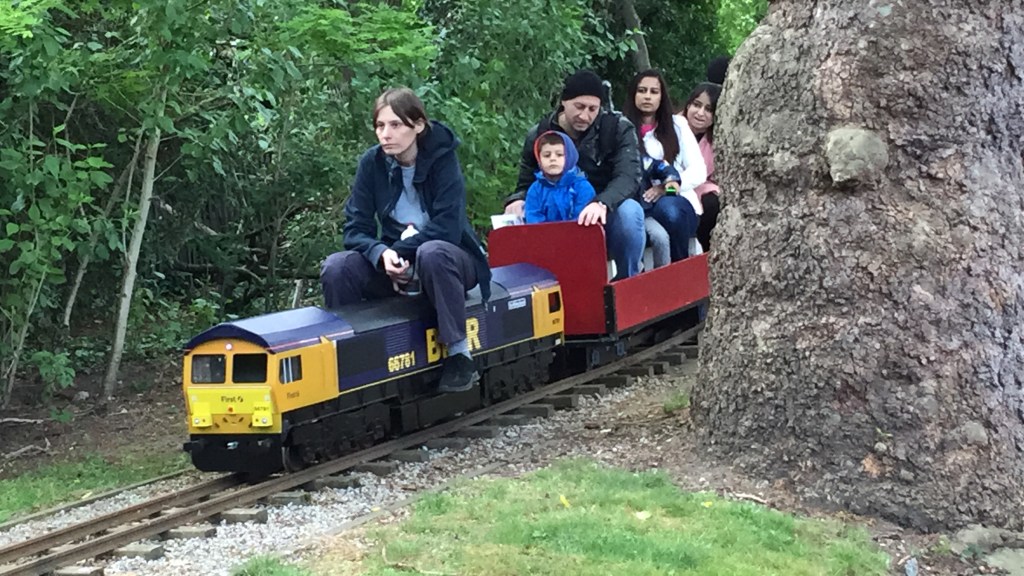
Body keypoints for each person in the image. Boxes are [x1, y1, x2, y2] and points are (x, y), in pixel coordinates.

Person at [320, 87, 491, 393]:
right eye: (379, 126)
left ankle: (460, 356)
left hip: (449, 262)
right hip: (395, 265)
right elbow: (355, 229)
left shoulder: (442, 158)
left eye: (395, 125)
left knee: (432, 252)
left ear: (418, 125)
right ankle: (351, 357)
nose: (385, 134)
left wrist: (398, 253)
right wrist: (381, 254)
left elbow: (448, 228)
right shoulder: (371, 163)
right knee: (337, 267)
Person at [505, 70, 644, 279]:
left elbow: (629, 176)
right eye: (579, 107)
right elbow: (526, 180)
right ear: (564, 102)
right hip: (554, 215)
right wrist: (517, 200)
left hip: (607, 207)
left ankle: (627, 281)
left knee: (630, 212)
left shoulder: (618, 128)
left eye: (592, 109)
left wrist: (601, 202)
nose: (585, 116)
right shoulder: (540, 134)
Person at [622, 69, 706, 265]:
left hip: (677, 202)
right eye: (642, 90)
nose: (647, 96)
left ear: (662, 97)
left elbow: (698, 170)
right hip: (640, 203)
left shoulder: (678, 125)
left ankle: (680, 269)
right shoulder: (622, 127)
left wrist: (666, 188)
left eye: (654, 92)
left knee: (669, 209)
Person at [680, 82, 723, 252]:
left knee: (712, 204)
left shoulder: (718, 139)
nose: (700, 113)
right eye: (696, 105)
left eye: (708, 109)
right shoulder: (672, 128)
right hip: (672, 188)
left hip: (703, 188)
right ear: (688, 105)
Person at [524, 131, 596, 224]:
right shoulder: (535, 189)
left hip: (576, 232)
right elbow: (533, 218)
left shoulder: (583, 187)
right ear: (539, 160)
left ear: (570, 157)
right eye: (547, 155)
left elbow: (582, 219)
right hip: (543, 232)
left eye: (559, 155)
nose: (552, 159)